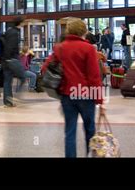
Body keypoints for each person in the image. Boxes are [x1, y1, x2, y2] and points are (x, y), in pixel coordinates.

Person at [43, 18, 104, 158]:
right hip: (86, 95)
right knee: (90, 130)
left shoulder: (60, 47)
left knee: (70, 131)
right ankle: (90, 155)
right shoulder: (89, 49)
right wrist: (99, 99)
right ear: (84, 31)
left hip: (67, 95)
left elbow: (46, 67)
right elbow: (94, 76)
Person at [1, 18, 23, 108]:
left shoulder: (9, 31)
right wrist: (9, 58)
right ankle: (15, 97)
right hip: (11, 59)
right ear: (20, 23)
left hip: (6, 60)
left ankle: (8, 101)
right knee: (23, 77)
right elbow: (10, 47)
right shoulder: (14, 33)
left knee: (7, 81)